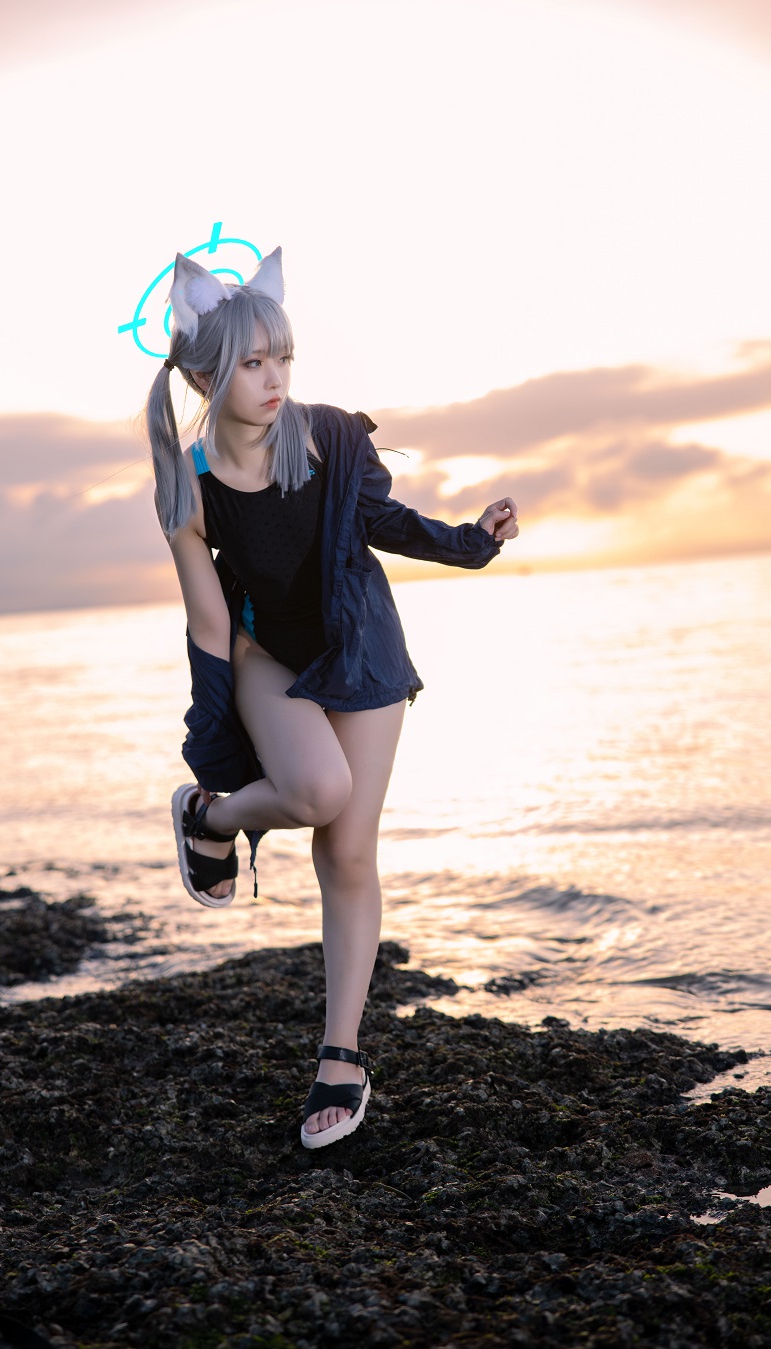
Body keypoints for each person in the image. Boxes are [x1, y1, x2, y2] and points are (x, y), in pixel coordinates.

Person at [145, 246, 519, 1149]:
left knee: (348, 849)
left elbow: (383, 521)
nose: (276, 379)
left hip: (361, 644)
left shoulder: (329, 436)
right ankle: (210, 813)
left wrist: (471, 543)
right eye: (253, 362)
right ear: (207, 375)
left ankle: (340, 1055)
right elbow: (208, 625)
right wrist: (211, 744)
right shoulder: (189, 488)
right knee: (318, 790)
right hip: (266, 651)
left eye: (284, 357)